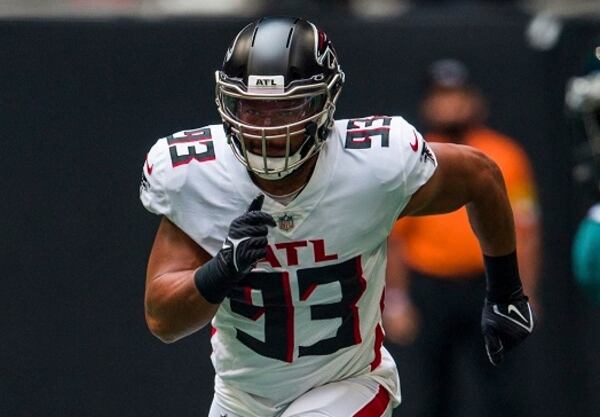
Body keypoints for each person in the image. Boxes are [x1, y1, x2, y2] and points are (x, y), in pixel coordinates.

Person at [139, 18, 534, 417]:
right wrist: (220, 270)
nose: (268, 127)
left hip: (348, 383)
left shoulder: (373, 163)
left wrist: (506, 292)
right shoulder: (195, 175)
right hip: (239, 399)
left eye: (288, 107)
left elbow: (481, 175)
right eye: (252, 107)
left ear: (324, 102)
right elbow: (161, 319)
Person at [384, 59, 541, 417]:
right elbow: (395, 238)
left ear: (474, 100)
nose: (450, 105)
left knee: (503, 388)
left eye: (457, 95)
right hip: (431, 287)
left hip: (488, 283)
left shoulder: (505, 154)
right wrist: (395, 299)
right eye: (442, 96)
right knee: (433, 391)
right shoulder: (413, 156)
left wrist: (522, 293)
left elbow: (527, 230)